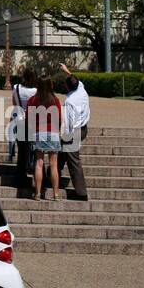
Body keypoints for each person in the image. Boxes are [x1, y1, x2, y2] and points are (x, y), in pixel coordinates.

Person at [26, 76, 62, 200]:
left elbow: (29, 119)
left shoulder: (32, 100)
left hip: (37, 132)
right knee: (53, 164)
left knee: (39, 162)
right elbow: (59, 118)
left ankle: (37, 193)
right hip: (52, 132)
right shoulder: (55, 100)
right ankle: (56, 193)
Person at [58, 66, 90, 201]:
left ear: (67, 87)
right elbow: (78, 81)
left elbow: (72, 123)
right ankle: (52, 175)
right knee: (60, 153)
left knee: (73, 160)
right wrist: (67, 71)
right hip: (83, 128)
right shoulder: (81, 90)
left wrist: (66, 137)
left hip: (74, 131)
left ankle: (81, 192)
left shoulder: (70, 102)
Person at [9, 68, 37, 190]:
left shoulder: (16, 87)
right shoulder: (36, 90)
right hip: (33, 122)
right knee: (33, 150)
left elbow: (14, 103)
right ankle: (34, 173)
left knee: (22, 150)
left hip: (19, 121)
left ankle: (20, 176)